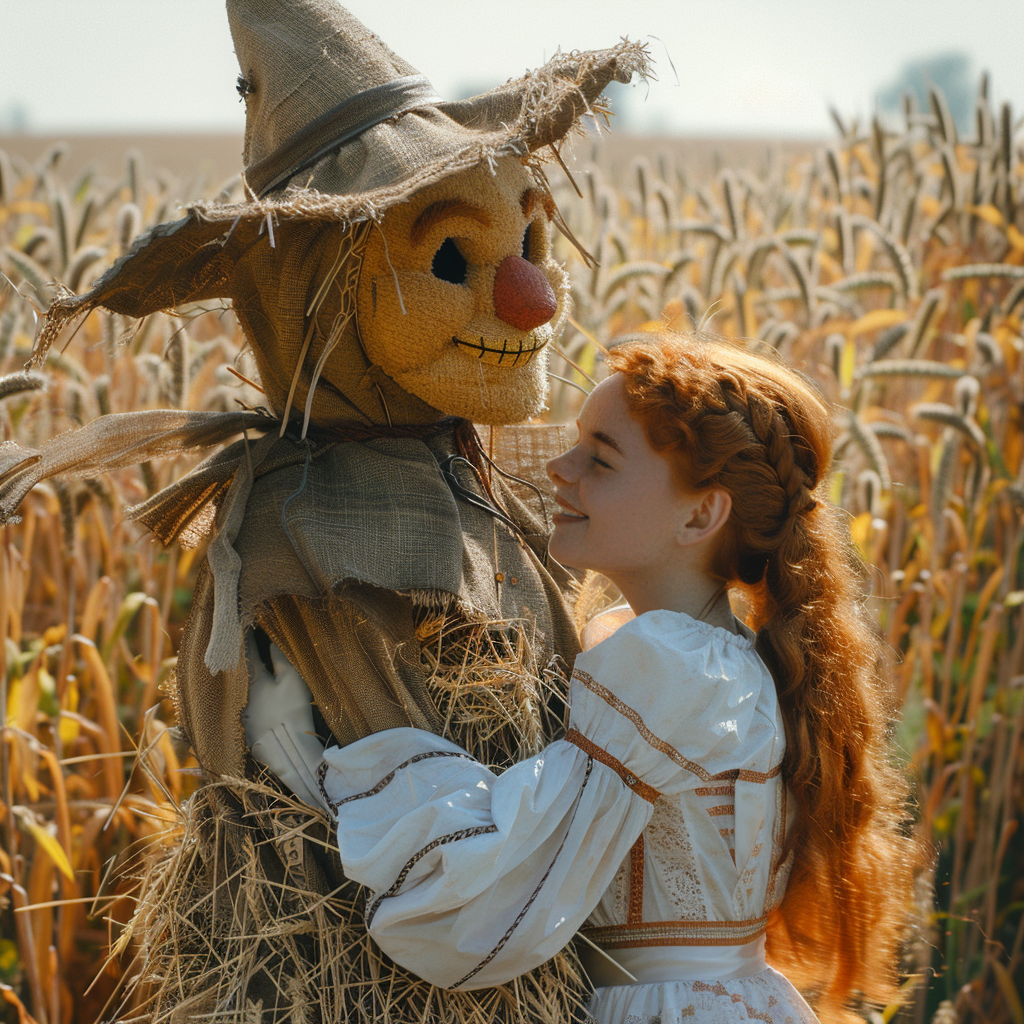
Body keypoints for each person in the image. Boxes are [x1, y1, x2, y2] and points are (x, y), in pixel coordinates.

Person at [262, 331, 912, 1023]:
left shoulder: (672, 667)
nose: (559, 467)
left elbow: (500, 889)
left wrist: (310, 763)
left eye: (599, 459)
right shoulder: (721, 660)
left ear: (700, 513)